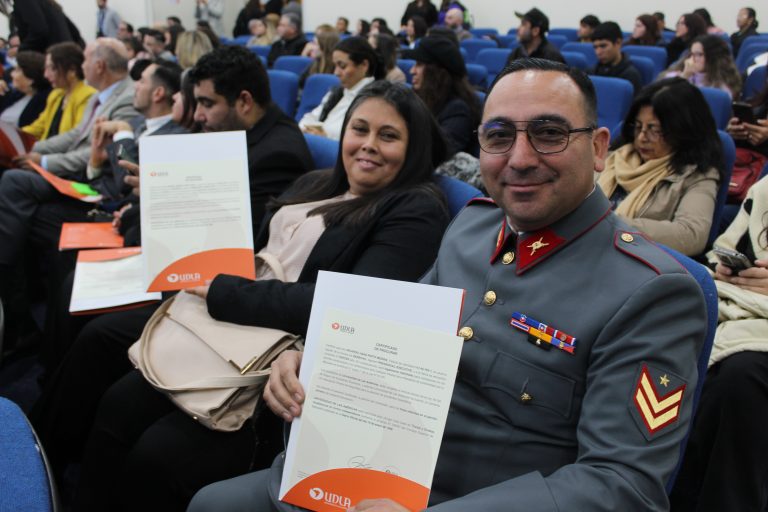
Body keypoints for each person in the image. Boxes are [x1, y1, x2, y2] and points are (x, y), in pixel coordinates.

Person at [187, 57, 708, 512]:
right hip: (368, 470)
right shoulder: (472, 227)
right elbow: (392, 336)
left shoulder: (651, 293)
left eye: (549, 133)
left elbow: (623, 485)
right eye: (499, 136)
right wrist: (315, 358)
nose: (520, 158)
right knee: (210, 501)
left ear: (597, 148)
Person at [38, 79, 450, 511]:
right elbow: (243, 245)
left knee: (155, 456)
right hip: (219, 325)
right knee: (116, 405)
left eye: (388, 136)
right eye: (359, 129)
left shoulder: (415, 209)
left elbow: (353, 307)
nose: (368, 145)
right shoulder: (316, 182)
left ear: (413, 149)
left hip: (276, 354)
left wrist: (225, 291)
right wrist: (171, 204)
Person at [669, 176, 768, 512]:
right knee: (672, 332)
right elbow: (725, 248)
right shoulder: (764, 190)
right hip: (743, 303)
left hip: (755, 332)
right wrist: (726, 269)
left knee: (740, 376)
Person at [598, 77, 722, 256]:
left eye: (654, 130)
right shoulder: (617, 156)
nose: (642, 138)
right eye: (638, 126)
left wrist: (611, 225)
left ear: (682, 130)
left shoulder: (697, 175)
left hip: (635, 258)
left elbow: (691, 235)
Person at [405, 34, 480, 156]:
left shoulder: (457, 110)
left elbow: (438, 154)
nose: (412, 71)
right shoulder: (419, 98)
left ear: (436, 72)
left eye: (419, 64)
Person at [298, 36, 383, 140]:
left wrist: (325, 138)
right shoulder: (338, 91)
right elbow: (308, 119)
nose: (336, 73)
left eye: (342, 66)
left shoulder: (375, 100)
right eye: (335, 66)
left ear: (364, 65)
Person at [21, 42, 95, 141]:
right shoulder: (56, 95)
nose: (46, 75)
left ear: (72, 70)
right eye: (46, 68)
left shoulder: (87, 96)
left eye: (52, 68)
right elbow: (38, 127)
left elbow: (75, 136)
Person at [663, 35, 741, 99]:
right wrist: (685, 76)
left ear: (713, 57)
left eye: (699, 54)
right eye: (692, 54)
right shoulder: (677, 75)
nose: (692, 59)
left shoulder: (722, 86)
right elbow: (665, 98)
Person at [2, 0, 83, 54]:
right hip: (67, 57)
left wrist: (20, 50)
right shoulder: (49, 3)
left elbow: (39, 31)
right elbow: (74, 32)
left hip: (53, 59)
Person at [0, 50, 51, 129]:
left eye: (17, 70)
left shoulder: (43, 103)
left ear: (30, 79)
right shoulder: (13, 94)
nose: (12, 74)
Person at [591, 21, 643, 94]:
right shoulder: (591, 72)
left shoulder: (631, 76)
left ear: (618, 43)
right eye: (595, 47)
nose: (598, 52)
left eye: (603, 46)